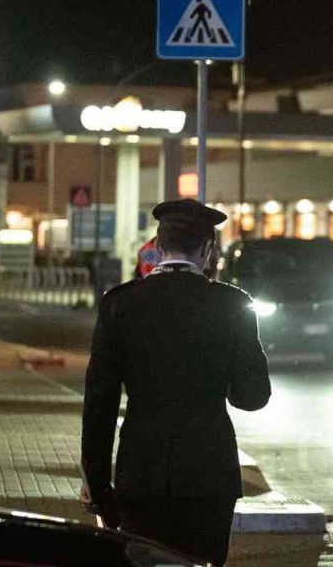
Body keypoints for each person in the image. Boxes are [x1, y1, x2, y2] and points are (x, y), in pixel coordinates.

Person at [80, 199, 270, 566]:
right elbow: (253, 396)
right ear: (207, 250)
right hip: (209, 474)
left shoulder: (119, 304)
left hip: (141, 473)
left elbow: (98, 403)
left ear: (156, 247)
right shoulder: (233, 305)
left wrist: (99, 486)